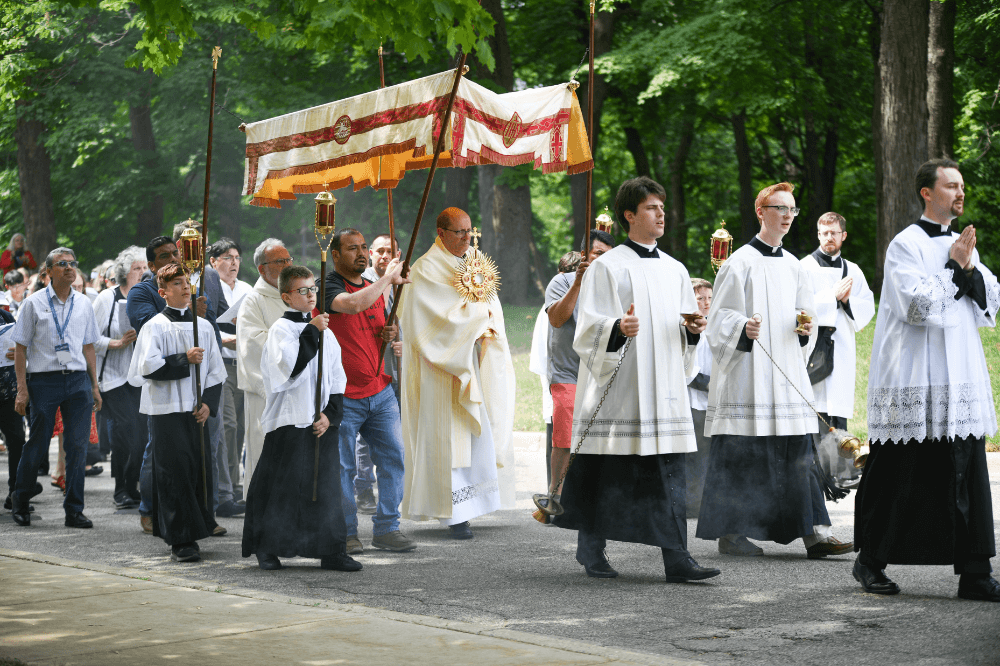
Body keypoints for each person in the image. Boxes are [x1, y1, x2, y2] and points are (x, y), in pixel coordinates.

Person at [550, 177, 718, 583]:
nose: (660, 214)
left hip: (662, 394)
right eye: (651, 208)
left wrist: (693, 329)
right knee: (607, 473)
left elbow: (681, 334)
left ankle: (677, 559)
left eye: (662, 207)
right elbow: (586, 330)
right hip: (620, 392)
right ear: (629, 215)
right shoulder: (607, 267)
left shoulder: (676, 269)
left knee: (667, 475)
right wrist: (616, 328)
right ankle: (591, 548)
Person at [854, 158, 1000, 601]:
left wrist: (967, 268)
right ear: (927, 192)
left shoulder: (961, 244)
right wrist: (955, 268)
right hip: (914, 376)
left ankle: (974, 572)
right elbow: (916, 308)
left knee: (964, 471)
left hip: (959, 378)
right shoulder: (905, 244)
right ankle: (870, 562)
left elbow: (991, 300)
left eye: (961, 186)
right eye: (951, 185)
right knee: (902, 473)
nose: (959, 193)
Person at [696, 182, 851, 560]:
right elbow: (719, 321)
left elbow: (805, 314)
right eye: (779, 208)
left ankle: (816, 534)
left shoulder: (797, 266)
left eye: (792, 210)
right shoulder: (739, 263)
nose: (787, 215)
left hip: (786, 377)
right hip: (748, 379)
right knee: (745, 454)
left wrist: (805, 330)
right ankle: (732, 535)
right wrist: (741, 328)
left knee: (799, 453)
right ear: (761, 211)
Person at [399, 208, 516, 540]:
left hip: (474, 362)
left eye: (470, 231)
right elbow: (432, 323)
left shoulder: (473, 262)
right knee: (447, 439)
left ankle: (474, 503)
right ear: (441, 232)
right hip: (441, 370)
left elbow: (491, 303)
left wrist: (488, 324)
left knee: (475, 435)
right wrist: (479, 321)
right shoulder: (425, 269)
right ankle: (452, 514)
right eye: (460, 232)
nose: (468, 238)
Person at [242, 265, 361, 573]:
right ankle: (268, 547)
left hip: (320, 423)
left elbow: (337, 378)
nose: (311, 296)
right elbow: (289, 371)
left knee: (326, 488)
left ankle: (331, 550)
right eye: (303, 291)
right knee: (283, 487)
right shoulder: (282, 330)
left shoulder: (327, 332)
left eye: (313, 289)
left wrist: (329, 415)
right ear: (286, 296)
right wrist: (313, 331)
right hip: (291, 421)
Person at [325, 228, 416, 554]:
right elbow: (351, 306)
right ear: (336, 254)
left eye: (364, 247)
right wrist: (388, 279)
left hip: (380, 390)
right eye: (353, 248)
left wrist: (389, 334)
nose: (361, 254)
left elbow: (375, 329)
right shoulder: (328, 286)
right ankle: (347, 531)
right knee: (343, 468)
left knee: (394, 459)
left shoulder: (373, 288)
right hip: (343, 396)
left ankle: (387, 528)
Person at [127, 263, 226, 562]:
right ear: (163, 292)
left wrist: (208, 403)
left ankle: (198, 526)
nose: (185, 287)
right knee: (173, 473)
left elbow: (215, 373)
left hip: (195, 411)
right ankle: (180, 539)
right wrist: (184, 358)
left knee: (197, 470)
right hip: (166, 411)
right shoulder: (155, 326)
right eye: (177, 283)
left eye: (188, 282)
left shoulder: (204, 326)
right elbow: (148, 368)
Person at [9, 247, 102, 529]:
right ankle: (21, 499)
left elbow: (89, 347)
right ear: (48, 271)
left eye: (73, 263)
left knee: (77, 447)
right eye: (62, 264)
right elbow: (21, 349)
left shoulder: (84, 304)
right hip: (44, 381)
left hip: (77, 381)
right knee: (37, 444)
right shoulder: (33, 303)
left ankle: (74, 510)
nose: (70, 268)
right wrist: (22, 389)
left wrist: (95, 386)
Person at [799, 212, 875, 488]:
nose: (828, 237)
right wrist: (830, 297)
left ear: (843, 235)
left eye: (834, 232)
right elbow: (797, 306)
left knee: (837, 405)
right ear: (818, 235)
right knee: (815, 405)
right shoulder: (804, 267)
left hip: (841, 346)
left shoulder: (853, 270)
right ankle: (815, 472)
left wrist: (846, 301)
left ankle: (841, 472)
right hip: (813, 347)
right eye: (823, 232)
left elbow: (866, 307)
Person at [542, 229, 615, 505]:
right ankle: (555, 495)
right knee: (564, 434)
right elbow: (557, 319)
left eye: (608, 256)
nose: (603, 261)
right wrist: (579, 283)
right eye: (598, 254)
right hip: (567, 371)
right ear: (584, 255)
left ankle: (592, 493)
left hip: (600, 372)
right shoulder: (562, 281)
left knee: (600, 437)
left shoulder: (614, 285)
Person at [172, 221, 239, 519]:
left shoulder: (210, 275)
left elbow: (221, 316)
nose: (198, 248)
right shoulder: (169, 276)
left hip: (213, 360)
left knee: (218, 429)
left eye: (201, 242)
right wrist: (189, 313)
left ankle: (219, 498)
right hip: (180, 363)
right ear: (179, 246)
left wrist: (242, 324)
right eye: (191, 242)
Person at [351, 233, 401, 515]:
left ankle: (389, 503)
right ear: (370, 253)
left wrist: (401, 337)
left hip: (394, 368)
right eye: (380, 251)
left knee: (390, 438)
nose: (384, 256)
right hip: (370, 369)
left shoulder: (401, 281)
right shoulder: (366, 281)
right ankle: (364, 487)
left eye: (390, 251)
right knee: (364, 438)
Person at [237, 238, 292, 486]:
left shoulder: (294, 295)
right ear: (262, 268)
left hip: (295, 388)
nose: (288, 265)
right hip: (266, 391)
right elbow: (253, 345)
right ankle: (261, 515)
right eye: (280, 261)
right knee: (263, 449)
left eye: (289, 259)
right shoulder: (253, 300)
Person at [94, 246, 144, 509]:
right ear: (125, 272)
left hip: (140, 376)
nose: (143, 272)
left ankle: (133, 486)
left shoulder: (148, 297)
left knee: (141, 433)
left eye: (146, 268)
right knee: (125, 431)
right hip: (113, 377)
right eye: (137, 268)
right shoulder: (107, 298)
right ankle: (120, 489)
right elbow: (89, 338)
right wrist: (116, 343)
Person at [209, 238, 252, 500]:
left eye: (236, 257)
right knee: (227, 424)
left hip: (244, 365)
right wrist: (225, 339)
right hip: (222, 363)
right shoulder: (211, 286)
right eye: (227, 257)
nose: (233, 262)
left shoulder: (247, 288)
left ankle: (236, 483)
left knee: (241, 427)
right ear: (213, 262)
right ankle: (227, 487)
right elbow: (211, 324)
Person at [685, 277, 713, 515]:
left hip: (713, 399)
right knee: (696, 454)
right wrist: (708, 384)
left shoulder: (715, 325)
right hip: (694, 398)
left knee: (708, 453)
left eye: (709, 298)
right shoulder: (687, 326)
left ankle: (704, 498)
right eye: (700, 298)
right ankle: (692, 502)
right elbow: (686, 366)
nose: (706, 303)